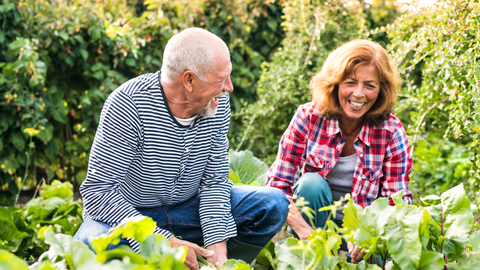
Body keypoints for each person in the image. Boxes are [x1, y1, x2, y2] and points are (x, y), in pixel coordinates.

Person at [74, 28, 289, 270]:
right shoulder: (129, 104)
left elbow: (214, 182)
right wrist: (163, 241)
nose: (228, 87)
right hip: (132, 217)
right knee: (89, 245)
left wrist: (218, 250)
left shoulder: (215, 102)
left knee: (273, 204)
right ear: (188, 80)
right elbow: (98, 192)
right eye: (221, 79)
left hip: (189, 212)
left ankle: (205, 263)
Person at [265, 39, 412, 263]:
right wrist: (306, 232)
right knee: (311, 183)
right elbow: (277, 187)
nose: (359, 94)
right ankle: (313, 261)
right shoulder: (308, 118)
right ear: (335, 83)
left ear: (381, 90)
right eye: (350, 82)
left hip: (363, 239)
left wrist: (368, 235)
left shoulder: (391, 131)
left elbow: (396, 202)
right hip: (314, 230)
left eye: (370, 85)